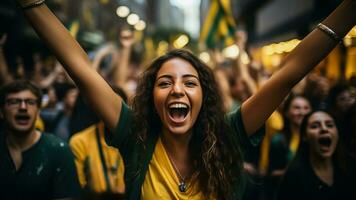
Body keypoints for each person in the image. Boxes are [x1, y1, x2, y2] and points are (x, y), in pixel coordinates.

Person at [17, 0, 356, 199]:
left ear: (204, 96)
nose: (177, 89)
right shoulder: (136, 137)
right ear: (151, 97)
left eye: (189, 82)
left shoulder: (231, 133)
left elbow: (290, 71)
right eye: (165, 82)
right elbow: (81, 69)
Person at [0, 80, 81, 200]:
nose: (23, 107)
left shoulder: (59, 151)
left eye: (30, 102)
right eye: (14, 102)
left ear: (38, 111)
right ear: (1, 112)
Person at [276, 110, 355, 200]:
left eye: (329, 125)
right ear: (305, 136)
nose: (324, 129)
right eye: (315, 126)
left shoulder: (351, 166)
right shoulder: (294, 176)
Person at [267, 94, 311, 199]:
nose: (302, 112)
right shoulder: (279, 141)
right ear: (286, 112)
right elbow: (271, 174)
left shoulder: (315, 138)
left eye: (306, 108)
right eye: (297, 108)